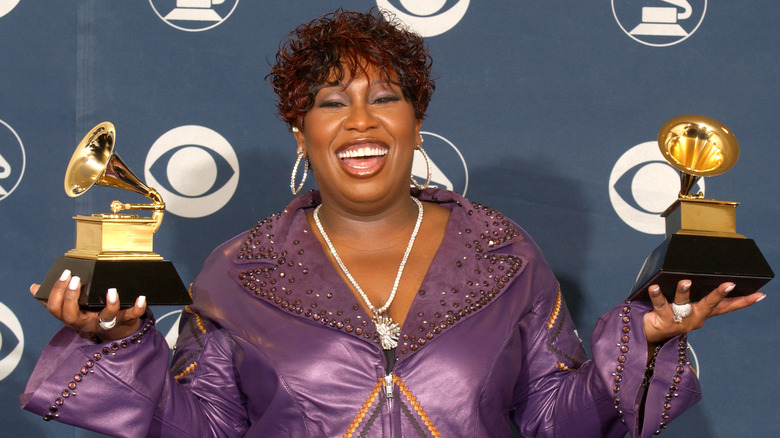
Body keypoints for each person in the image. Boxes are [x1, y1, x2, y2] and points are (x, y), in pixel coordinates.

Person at [21, 9, 764, 438]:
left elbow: (555, 423)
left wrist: (646, 335)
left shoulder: (506, 255)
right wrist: (120, 348)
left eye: (386, 97)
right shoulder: (234, 272)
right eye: (331, 101)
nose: (361, 122)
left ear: (417, 121)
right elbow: (201, 428)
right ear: (299, 131)